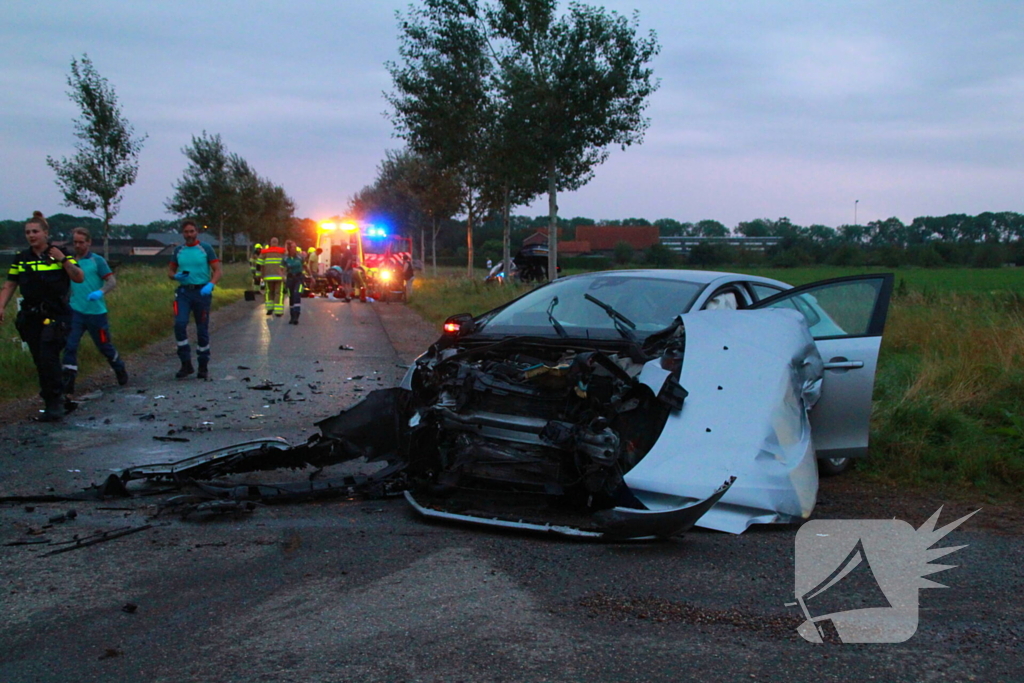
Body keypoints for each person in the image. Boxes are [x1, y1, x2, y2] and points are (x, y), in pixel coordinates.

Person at [0, 211, 85, 421]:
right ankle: (57, 397)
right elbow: (10, 284)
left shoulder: (60, 254)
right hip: (31, 316)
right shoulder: (22, 258)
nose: (31, 235)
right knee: (40, 359)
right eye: (28, 232)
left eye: (35, 231)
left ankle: (55, 402)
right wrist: (1, 306)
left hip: (57, 315)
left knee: (48, 356)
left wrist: (63, 260)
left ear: (45, 233)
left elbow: (79, 277)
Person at [61, 227, 128, 396]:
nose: (78, 246)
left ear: (88, 242)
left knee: (104, 345)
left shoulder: (97, 261)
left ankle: (119, 367)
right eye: (75, 242)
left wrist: (100, 292)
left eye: (81, 242)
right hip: (76, 311)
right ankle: (68, 383)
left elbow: (111, 281)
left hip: (96, 313)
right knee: (70, 345)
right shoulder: (70, 262)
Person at [167, 220, 221, 379]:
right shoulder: (178, 250)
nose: (189, 234)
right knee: (179, 324)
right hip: (184, 292)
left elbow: (218, 270)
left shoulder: (206, 248)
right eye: (186, 232)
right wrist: (175, 276)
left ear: (197, 232)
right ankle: (186, 363)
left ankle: (203, 365)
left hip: (202, 292)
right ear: (182, 234)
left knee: (202, 329)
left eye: (191, 231)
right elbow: (170, 271)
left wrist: (211, 284)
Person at [259, 237, 286, 316]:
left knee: (269, 292)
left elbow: (259, 264)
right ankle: (278, 311)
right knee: (278, 293)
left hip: (268, 276)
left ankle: (270, 309)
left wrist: (260, 275)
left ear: (270, 243)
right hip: (279, 276)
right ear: (277, 243)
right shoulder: (282, 251)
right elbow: (286, 263)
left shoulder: (264, 252)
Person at [283, 240, 305, 325]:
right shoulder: (285, 258)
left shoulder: (300, 257)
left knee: (297, 295)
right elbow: (281, 269)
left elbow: (305, 266)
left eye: (295, 247)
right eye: (293, 247)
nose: (295, 248)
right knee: (291, 297)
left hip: (299, 278)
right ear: (289, 248)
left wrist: (311, 277)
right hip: (290, 279)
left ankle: (296, 315)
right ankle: (292, 315)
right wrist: (282, 277)